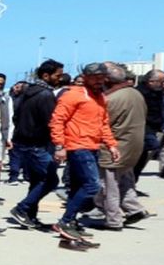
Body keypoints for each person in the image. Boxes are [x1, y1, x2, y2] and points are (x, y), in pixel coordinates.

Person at [49, 63, 121, 239]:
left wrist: (111, 145)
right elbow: (57, 121)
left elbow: (103, 123)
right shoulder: (73, 95)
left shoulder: (100, 97)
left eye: (102, 77)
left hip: (92, 146)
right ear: (85, 77)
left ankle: (71, 221)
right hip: (77, 146)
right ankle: (65, 222)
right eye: (95, 77)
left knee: (77, 187)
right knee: (92, 185)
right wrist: (59, 146)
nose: (99, 81)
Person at [6, 60, 65, 231]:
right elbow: (51, 122)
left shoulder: (25, 92)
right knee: (50, 180)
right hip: (37, 144)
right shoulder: (46, 95)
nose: (59, 79)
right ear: (45, 75)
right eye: (57, 75)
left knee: (37, 180)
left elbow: (16, 116)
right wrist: (59, 145)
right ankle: (22, 209)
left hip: (23, 142)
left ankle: (30, 215)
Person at [93, 64, 149, 231]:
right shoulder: (136, 93)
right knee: (126, 181)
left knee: (108, 185)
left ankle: (113, 220)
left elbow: (101, 124)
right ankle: (134, 209)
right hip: (133, 145)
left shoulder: (111, 99)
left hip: (114, 147)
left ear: (107, 80)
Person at [133, 70, 164, 181]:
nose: (163, 85)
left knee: (142, 159)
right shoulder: (139, 93)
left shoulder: (158, 92)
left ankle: (133, 183)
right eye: (161, 82)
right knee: (151, 147)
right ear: (151, 81)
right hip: (142, 129)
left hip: (153, 128)